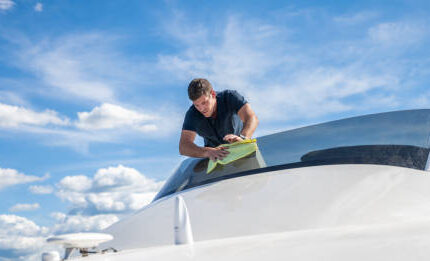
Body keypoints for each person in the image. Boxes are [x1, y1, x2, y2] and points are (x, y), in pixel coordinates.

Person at [179, 78, 259, 162]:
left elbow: (251, 118)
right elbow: (184, 146)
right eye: (197, 105)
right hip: (216, 161)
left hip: (243, 154)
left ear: (212, 94)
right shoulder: (192, 114)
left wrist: (243, 138)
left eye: (204, 102)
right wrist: (207, 151)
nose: (201, 109)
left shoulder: (230, 97)